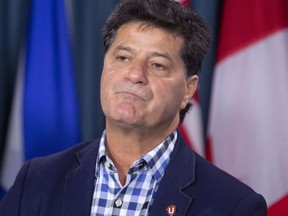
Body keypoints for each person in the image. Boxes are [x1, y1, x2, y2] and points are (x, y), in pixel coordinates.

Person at [0, 0, 267, 215]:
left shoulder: (234, 205)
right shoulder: (36, 180)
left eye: (158, 65)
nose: (134, 74)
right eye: (123, 57)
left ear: (188, 89)